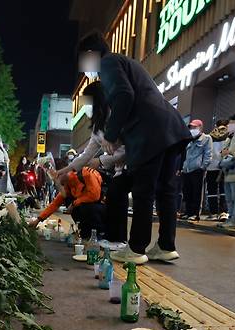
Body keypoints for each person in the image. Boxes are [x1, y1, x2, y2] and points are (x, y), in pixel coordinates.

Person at [77, 31, 191, 264]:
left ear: (91, 54)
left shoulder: (108, 62)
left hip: (149, 131)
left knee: (144, 191)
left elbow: (123, 95)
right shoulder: (124, 62)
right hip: (170, 126)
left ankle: (137, 248)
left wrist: (110, 134)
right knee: (166, 191)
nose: (85, 68)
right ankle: (166, 245)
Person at [57, 80, 127, 250]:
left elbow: (127, 148)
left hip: (132, 165)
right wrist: (62, 170)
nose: (86, 107)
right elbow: (86, 155)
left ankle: (122, 242)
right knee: (115, 198)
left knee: (120, 198)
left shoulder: (115, 117)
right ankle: (115, 240)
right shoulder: (97, 127)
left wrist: (101, 161)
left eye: (88, 102)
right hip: (118, 168)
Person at [29, 167, 105, 238]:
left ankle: (98, 234)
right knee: (69, 200)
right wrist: (38, 220)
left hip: (100, 207)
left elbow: (94, 195)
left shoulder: (86, 173)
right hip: (87, 208)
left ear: (63, 172)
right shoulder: (67, 185)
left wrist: (74, 203)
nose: (56, 181)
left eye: (57, 176)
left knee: (85, 207)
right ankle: (83, 232)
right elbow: (55, 204)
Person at [181, 119, 212, 221]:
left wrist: (203, 166)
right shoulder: (188, 139)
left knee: (197, 192)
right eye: (191, 127)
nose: (192, 129)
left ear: (200, 128)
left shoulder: (206, 138)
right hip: (186, 169)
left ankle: (195, 213)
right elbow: (184, 154)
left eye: (195, 127)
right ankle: (188, 212)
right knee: (187, 192)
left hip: (197, 169)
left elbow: (208, 154)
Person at [205, 120, 229, 221]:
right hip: (225, 165)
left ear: (216, 125)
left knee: (211, 190)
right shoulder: (230, 135)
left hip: (211, 165)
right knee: (225, 189)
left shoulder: (210, 136)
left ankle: (213, 212)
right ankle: (224, 212)